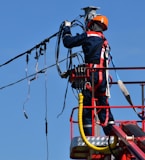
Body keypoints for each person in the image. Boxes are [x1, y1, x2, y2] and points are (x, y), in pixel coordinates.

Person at [62, 15, 114, 136]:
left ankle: (89, 136)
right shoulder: (104, 41)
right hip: (103, 77)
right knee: (103, 105)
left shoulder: (89, 36)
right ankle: (111, 133)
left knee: (88, 107)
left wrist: (67, 29)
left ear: (91, 25)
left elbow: (68, 42)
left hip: (91, 76)